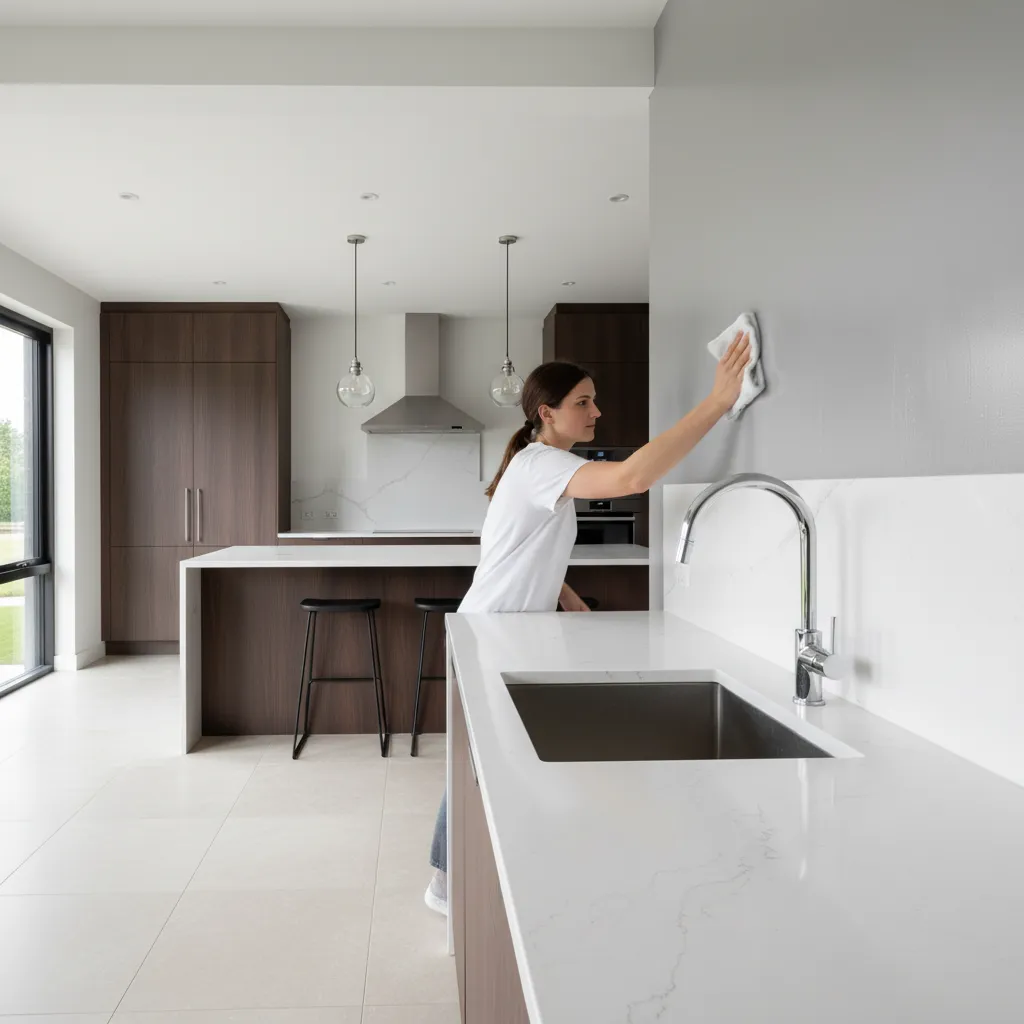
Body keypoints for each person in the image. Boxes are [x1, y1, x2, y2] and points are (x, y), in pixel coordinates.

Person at [424, 331, 752, 915]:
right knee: (487, 758)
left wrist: (571, 603)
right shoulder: (542, 463)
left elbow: (529, 550)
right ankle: (448, 883)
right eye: (583, 403)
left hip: (502, 631)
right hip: (495, 634)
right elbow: (632, 479)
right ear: (546, 413)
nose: (597, 411)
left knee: (491, 754)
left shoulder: (542, 463)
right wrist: (717, 402)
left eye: (595, 400)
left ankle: (453, 877)